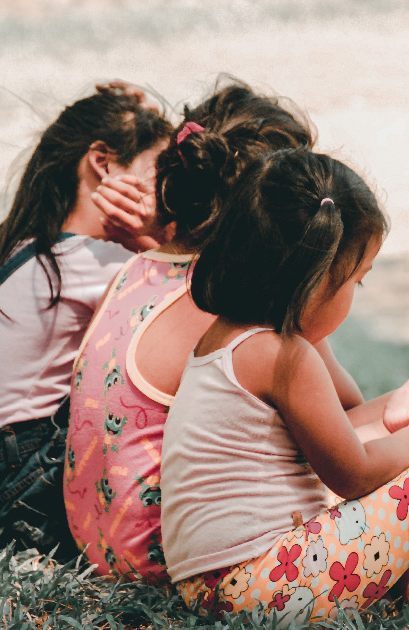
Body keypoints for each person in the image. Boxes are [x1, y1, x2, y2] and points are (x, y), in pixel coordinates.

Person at [68, 79, 409, 625]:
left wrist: (401, 405)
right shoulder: (244, 316)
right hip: (173, 555)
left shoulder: (143, 269)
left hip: (114, 539)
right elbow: (345, 437)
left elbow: (334, 413)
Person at [160, 148, 409, 628]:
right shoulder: (285, 357)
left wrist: (395, 417)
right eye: (357, 280)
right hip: (258, 587)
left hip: (214, 585)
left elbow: (324, 438)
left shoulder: (227, 338)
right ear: (313, 280)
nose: (356, 292)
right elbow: (353, 475)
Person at [65, 80, 367, 582]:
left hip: (99, 542)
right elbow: (348, 413)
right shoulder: (228, 303)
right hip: (174, 556)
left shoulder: (135, 268)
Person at [0, 83, 173, 559]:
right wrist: (150, 241)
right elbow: (201, 313)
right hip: (21, 506)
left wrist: (139, 115)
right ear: (103, 162)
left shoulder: (23, 249)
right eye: (157, 172)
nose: (163, 193)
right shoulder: (94, 263)